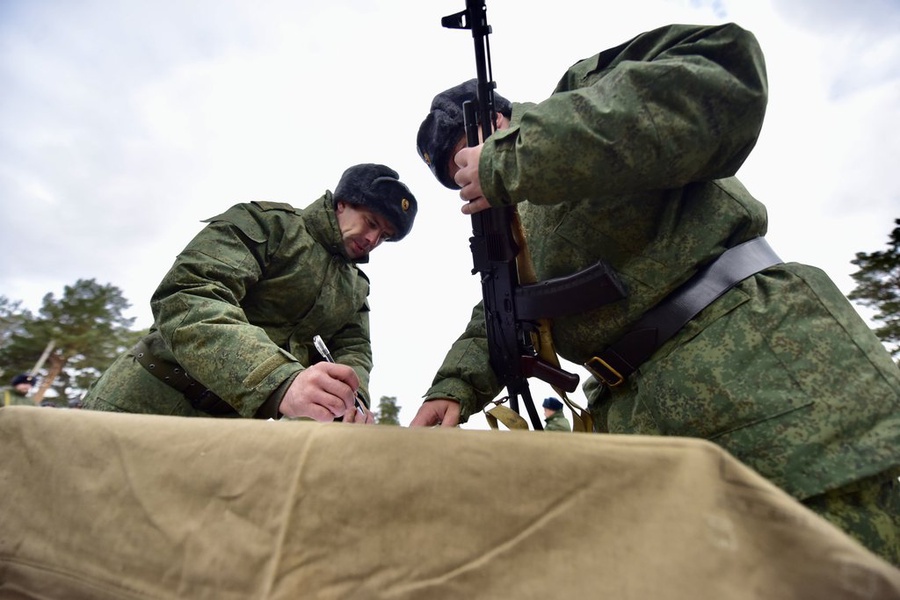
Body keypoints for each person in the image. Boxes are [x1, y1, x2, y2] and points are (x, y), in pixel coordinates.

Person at [410, 23, 900, 563]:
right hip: (647, 428)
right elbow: (508, 313)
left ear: (496, 118)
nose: (468, 174)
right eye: (455, 174)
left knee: (853, 565)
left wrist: (515, 153)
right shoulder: (514, 227)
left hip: (762, 379)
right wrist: (450, 389)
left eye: (468, 154)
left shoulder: (579, 96)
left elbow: (724, 77)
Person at [83, 163, 417, 424]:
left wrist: (347, 402)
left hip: (226, 431)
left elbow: (353, 352)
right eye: (371, 222)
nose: (373, 240)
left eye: (384, 237)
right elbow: (189, 296)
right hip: (143, 401)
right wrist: (278, 379)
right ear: (342, 203)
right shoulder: (268, 225)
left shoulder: (356, 288)